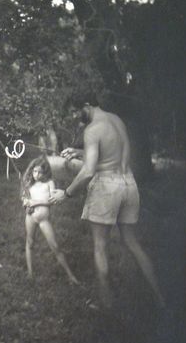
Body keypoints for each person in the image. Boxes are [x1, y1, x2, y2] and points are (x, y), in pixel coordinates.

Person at [50, 93, 165, 309]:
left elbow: (88, 172)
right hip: (128, 184)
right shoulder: (116, 120)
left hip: (106, 187)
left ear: (86, 105)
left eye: (76, 112)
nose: (75, 117)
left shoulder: (92, 129)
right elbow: (110, 154)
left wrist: (65, 194)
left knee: (99, 246)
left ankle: (106, 305)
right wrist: (78, 152)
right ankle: (160, 297)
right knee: (132, 243)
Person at [21, 155, 80, 284]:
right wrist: (26, 202)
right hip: (30, 217)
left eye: (39, 172)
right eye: (34, 171)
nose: (36, 175)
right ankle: (30, 273)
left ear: (45, 171)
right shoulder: (30, 184)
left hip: (44, 220)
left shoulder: (49, 183)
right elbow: (25, 199)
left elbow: (51, 201)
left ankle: (70, 276)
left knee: (55, 246)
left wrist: (34, 202)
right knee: (30, 242)